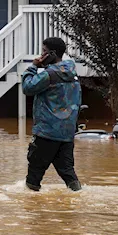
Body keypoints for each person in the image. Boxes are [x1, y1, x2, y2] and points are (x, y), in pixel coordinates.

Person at [21, 36, 83, 192]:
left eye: (44, 52)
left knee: (34, 176)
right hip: (67, 133)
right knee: (68, 173)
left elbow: (27, 87)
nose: (41, 55)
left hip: (47, 132)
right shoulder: (72, 73)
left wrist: (33, 67)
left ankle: (31, 211)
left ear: (52, 54)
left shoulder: (49, 75)